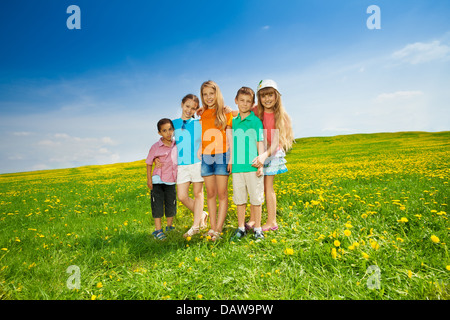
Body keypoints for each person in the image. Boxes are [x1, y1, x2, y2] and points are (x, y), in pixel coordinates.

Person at [249, 79, 294, 232]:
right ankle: (254, 219)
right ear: (259, 98)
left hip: (273, 153)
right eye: (263, 96)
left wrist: (264, 156)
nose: (267, 99)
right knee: (256, 186)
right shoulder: (256, 111)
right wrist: (226, 110)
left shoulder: (280, 115)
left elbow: (276, 142)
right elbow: (239, 112)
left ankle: (271, 221)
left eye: (270, 95)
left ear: (276, 96)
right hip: (260, 151)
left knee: (268, 187)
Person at [229, 87, 265, 241]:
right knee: (240, 199)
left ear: (252, 104)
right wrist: (231, 160)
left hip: (252, 166)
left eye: (248, 101)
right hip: (237, 167)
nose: (244, 104)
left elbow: (260, 143)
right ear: (236, 101)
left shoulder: (256, 121)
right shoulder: (233, 122)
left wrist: (261, 163)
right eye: (241, 100)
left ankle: (258, 228)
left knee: (256, 199)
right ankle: (241, 228)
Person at [199, 80, 233, 241]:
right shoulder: (202, 114)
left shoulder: (226, 113)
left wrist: (231, 158)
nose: (208, 97)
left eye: (211, 93)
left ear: (217, 94)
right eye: (205, 94)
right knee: (210, 194)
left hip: (223, 156)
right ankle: (212, 228)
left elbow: (231, 137)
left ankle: (218, 229)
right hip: (206, 157)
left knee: (222, 193)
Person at [172, 94, 208, 238]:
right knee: (182, 196)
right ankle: (203, 214)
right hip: (181, 165)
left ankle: (196, 226)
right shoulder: (173, 123)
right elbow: (167, 142)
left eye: (193, 108)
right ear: (182, 104)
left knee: (198, 194)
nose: (189, 110)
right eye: (187, 106)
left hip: (197, 163)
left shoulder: (199, 123)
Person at [146, 118, 178, 240]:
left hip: (171, 180)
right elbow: (149, 163)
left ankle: (169, 227)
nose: (168, 133)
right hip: (158, 180)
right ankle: (158, 230)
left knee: (171, 203)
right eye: (164, 130)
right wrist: (149, 179)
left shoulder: (177, 144)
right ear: (160, 133)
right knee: (157, 205)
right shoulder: (155, 147)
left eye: (170, 129)